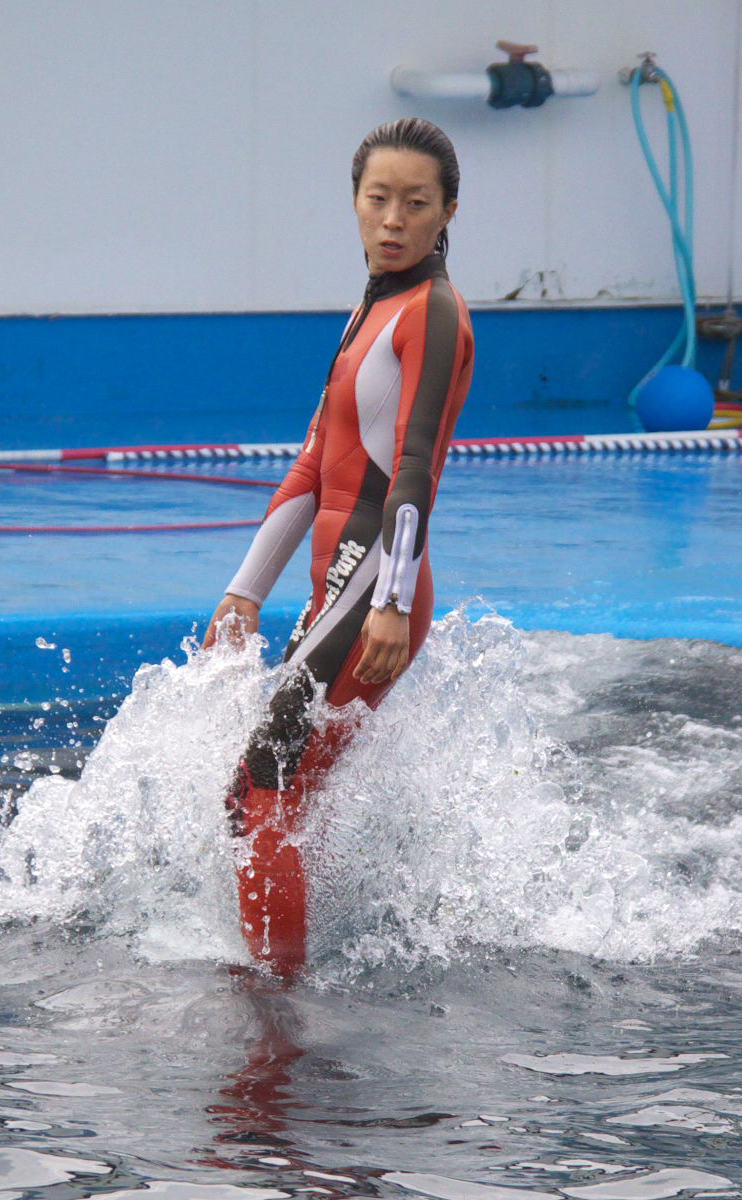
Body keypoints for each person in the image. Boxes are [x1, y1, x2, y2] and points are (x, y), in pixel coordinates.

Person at [203, 117, 473, 978]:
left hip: (375, 587)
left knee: (259, 789)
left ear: (446, 214)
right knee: (274, 794)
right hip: (343, 583)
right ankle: (312, 962)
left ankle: (278, 1007)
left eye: (415, 203)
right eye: (378, 198)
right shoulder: (370, 304)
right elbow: (317, 460)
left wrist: (391, 602)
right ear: (355, 204)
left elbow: (416, 464)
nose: (393, 218)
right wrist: (246, 590)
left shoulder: (432, 312)